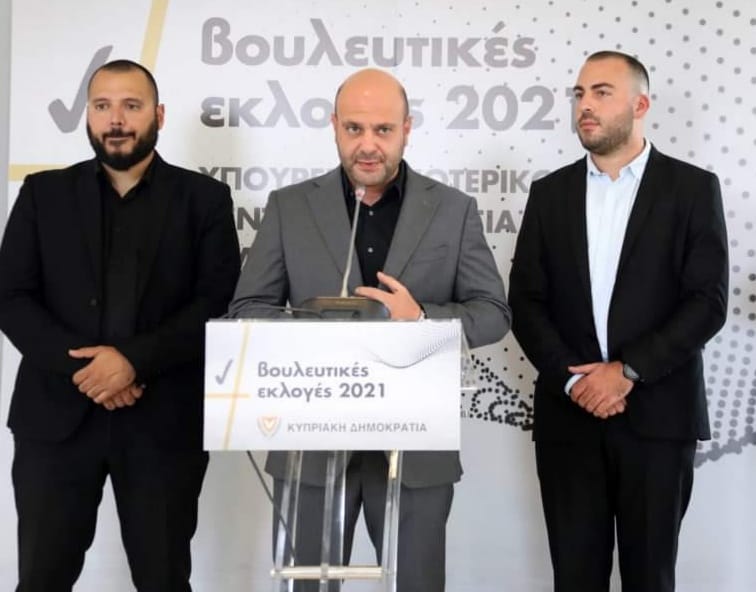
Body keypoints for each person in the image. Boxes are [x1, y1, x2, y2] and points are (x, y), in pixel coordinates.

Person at [228, 68, 510, 591]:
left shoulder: (453, 210)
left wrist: (420, 319)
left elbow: (492, 312)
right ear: (334, 126)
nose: (367, 145)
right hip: (310, 447)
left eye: (383, 130)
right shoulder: (290, 207)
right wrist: (314, 326)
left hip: (415, 450)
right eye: (354, 128)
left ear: (407, 129)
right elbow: (247, 309)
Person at [0, 59, 241, 591]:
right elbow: (12, 298)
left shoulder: (203, 200)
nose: (116, 119)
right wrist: (87, 371)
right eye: (102, 106)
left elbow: (215, 302)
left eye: (131, 106)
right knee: (40, 578)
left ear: (158, 115)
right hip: (56, 421)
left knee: (163, 579)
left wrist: (132, 362)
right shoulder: (43, 194)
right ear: (87, 115)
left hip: (163, 422)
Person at [509, 51, 728, 592]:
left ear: (640, 105)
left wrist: (626, 371)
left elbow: (707, 302)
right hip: (570, 418)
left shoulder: (692, 189)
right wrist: (576, 381)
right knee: (574, 578)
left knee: (650, 577)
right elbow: (526, 301)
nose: (585, 105)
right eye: (580, 94)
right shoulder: (549, 194)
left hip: (658, 418)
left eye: (601, 93)